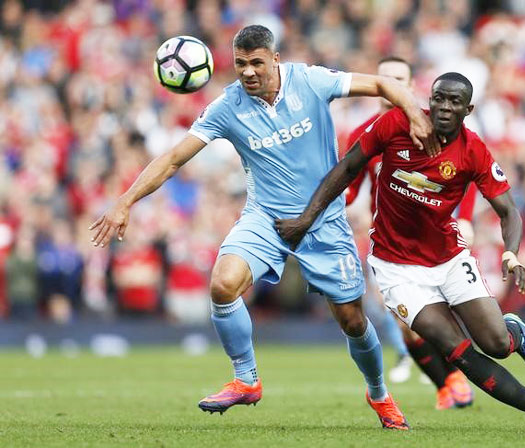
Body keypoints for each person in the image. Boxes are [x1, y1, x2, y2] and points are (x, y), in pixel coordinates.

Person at [89, 25, 439, 430]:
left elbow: (381, 83)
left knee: (353, 321)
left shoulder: (310, 80)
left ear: (275, 59)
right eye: (240, 64)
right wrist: (124, 201)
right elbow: (171, 160)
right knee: (223, 284)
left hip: (322, 218)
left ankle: (379, 393)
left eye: (257, 62)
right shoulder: (227, 107)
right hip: (266, 218)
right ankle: (246, 379)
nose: (249, 72)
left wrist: (414, 113)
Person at [276, 72, 525, 434]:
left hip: (449, 260)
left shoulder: (472, 150)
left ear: (469, 109)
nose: (445, 107)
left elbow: (509, 210)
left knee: (496, 345)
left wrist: (511, 253)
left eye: (454, 102)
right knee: (459, 351)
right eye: (439, 99)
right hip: (396, 268)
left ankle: (512, 333)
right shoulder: (394, 124)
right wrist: (306, 219)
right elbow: (347, 167)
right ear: (430, 99)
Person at [344, 56, 474, 410]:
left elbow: (469, 167)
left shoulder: (432, 123)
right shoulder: (366, 131)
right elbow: (350, 184)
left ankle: (468, 368)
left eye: (398, 78)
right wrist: (336, 203)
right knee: (405, 323)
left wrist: (468, 218)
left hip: (438, 236)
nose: (390, 85)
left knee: (446, 312)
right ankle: (449, 382)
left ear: (412, 83)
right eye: (383, 79)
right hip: (392, 243)